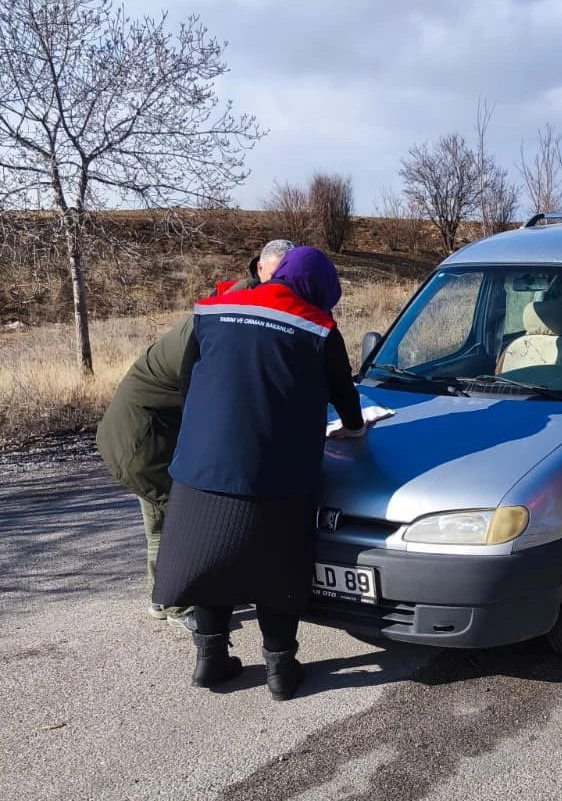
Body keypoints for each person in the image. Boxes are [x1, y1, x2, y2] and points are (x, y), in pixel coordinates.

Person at [151, 246, 364, 701]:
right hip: (276, 470)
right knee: (276, 570)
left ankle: (210, 661)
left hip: (202, 464)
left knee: (209, 561)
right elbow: (344, 395)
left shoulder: (214, 310)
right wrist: (354, 427)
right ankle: (281, 671)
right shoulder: (318, 328)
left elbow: (188, 381)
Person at [96, 239, 294, 630]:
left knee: (164, 516)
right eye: (277, 276)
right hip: (142, 435)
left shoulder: (237, 308)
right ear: (259, 271)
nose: (284, 286)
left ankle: (169, 595)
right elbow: (209, 386)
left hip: (153, 428)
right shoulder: (230, 316)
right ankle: (174, 603)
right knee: (174, 517)